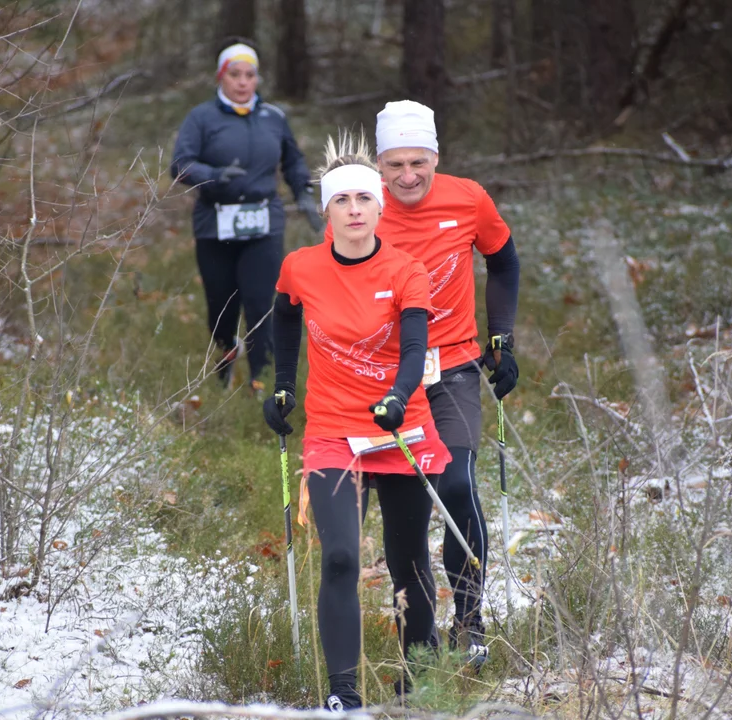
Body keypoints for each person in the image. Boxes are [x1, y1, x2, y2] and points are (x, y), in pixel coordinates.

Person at [262, 132, 451, 710]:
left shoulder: (406, 270)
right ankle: (342, 693)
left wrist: (397, 395)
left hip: (401, 427)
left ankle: (420, 674)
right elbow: (285, 320)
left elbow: (416, 348)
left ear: (379, 206)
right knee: (341, 556)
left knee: (408, 557)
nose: (353, 211)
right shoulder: (300, 268)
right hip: (332, 431)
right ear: (327, 210)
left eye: (363, 201)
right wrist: (285, 387)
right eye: (341, 201)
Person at [358, 100, 521, 668]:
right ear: (377, 166)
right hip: (382, 379)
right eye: (394, 165)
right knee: (404, 510)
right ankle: (416, 633)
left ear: (435, 157)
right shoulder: (362, 208)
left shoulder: (468, 198)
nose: (407, 177)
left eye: (418, 163)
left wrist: (500, 338)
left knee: (456, 487)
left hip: (452, 369)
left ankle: (471, 622)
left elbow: (504, 262)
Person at [170, 38, 324, 395]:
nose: (242, 82)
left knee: (262, 304)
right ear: (220, 77)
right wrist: (213, 174)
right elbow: (179, 164)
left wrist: (303, 193)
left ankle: (263, 383)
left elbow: (293, 160)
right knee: (222, 307)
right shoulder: (202, 117)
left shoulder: (273, 117)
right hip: (215, 224)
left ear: (257, 79)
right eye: (234, 74)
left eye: (249, 75)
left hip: (263, 224)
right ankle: (226, 357)